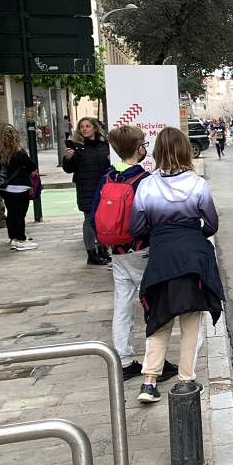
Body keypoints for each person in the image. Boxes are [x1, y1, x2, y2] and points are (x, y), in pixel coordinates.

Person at [130, 127, 224, 404]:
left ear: (157, 151)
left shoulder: (146, 185)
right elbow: (212, 224)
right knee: (191, 320)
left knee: (159, 319)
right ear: (186, 150)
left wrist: (160, 233)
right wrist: (191, 234)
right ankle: (186, 380)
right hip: (193, 257)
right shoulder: (197, 184)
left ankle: (149, 382)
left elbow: (136, 227)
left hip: (161, 258)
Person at [91, 125, 177, 383]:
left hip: (117, 253)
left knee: (122, 306)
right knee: (153, 305)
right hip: (142, 250)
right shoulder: (144, 180)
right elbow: (156, 216)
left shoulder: (107, 177)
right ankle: (156, 362)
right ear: (139, 149)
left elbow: (95, 213)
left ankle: (125, 360)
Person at [62, 116, 112, 266]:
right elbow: (68, 169)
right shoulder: (76, 147)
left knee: (103, 220)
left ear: (95, 128)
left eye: (88, 126)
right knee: (89, 220)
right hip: (86, 188)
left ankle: (103, 249)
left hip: (104, 187)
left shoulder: (105, 145)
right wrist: (68, 158)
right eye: (82, 126)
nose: (84, 129)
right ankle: (91, 253)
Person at [0, 123, 38, 251]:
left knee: (11, 213)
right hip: (20, 188)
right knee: (20, 214)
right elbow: (32, 165)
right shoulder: (19, 153)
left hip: (5, 189)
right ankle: (21, 239)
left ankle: (13, 237)